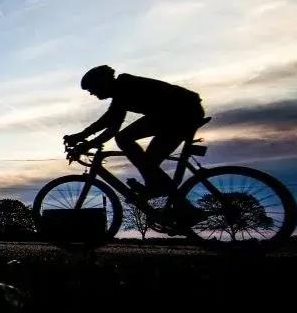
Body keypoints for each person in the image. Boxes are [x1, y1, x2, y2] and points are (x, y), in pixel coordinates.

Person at [64, 65, 207, 221]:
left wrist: (84, 143)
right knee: (149, 163)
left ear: (102, 83)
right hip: (178, 112)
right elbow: (108, 121)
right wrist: (80, 137)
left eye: (92, 89)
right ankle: (180, 204)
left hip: (181, 112)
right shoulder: (121, 90)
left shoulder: (124, 87)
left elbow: (112, 128)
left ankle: (172, 199)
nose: (92, 93)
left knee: (125, 140)